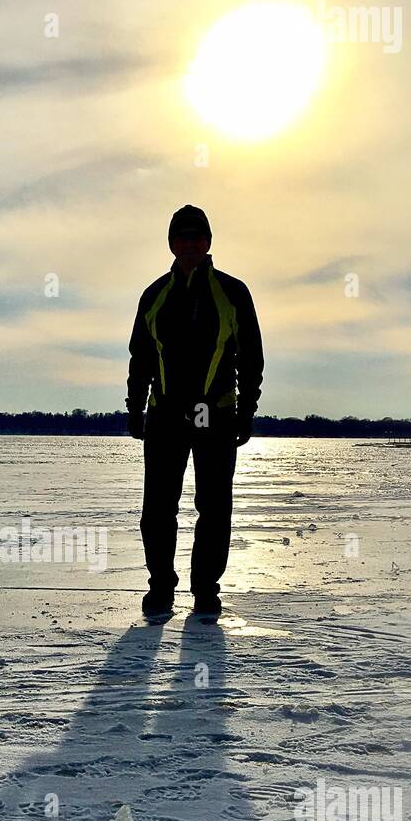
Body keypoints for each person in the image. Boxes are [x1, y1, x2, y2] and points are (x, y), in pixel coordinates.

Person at [126, 204, 264, 618]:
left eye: (196, 236)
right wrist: (136, 409)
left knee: (214, 506)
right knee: (158, 508)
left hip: (214, 414)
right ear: (171, 243)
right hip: (166, 414)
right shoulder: (154, 295)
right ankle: (160, 588)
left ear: (208, 242)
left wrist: (246, 410)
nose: (189, 243)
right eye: (181, 237)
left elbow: (250, 358)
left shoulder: (232, 292)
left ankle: (206, 590)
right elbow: (141, 358)